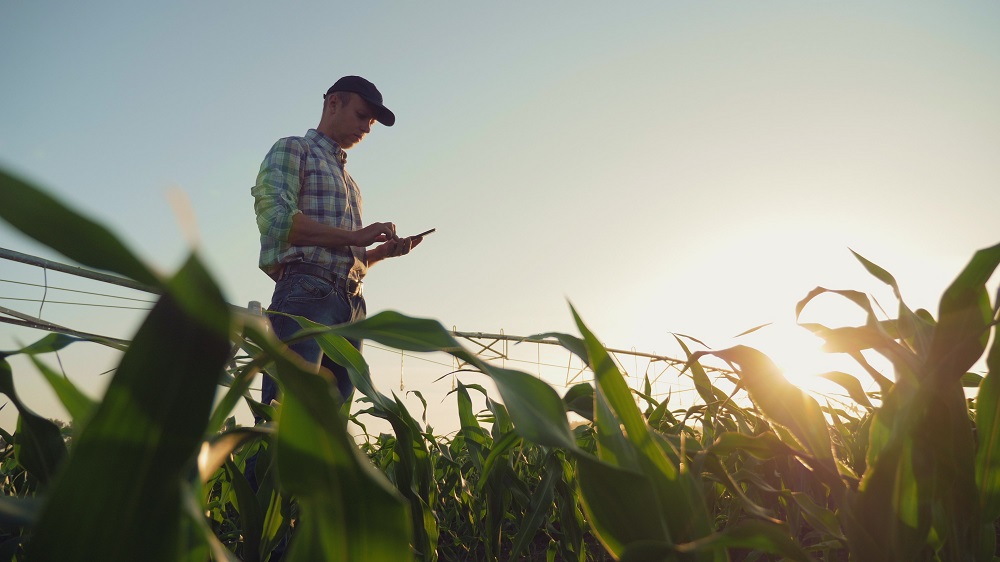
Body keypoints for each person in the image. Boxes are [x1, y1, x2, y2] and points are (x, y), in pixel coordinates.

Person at [251, 75, 423, 411]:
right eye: (362, 116)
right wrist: (355, 237)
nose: (368, 129)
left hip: (351, 305)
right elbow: (275, 220)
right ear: (333, 104)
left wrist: (379, 254)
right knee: (283, 423)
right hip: (306, 295)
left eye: (371, 122)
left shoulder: (351, 183)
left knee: (329, 435)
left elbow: (340, 255)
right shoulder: (293, 149)